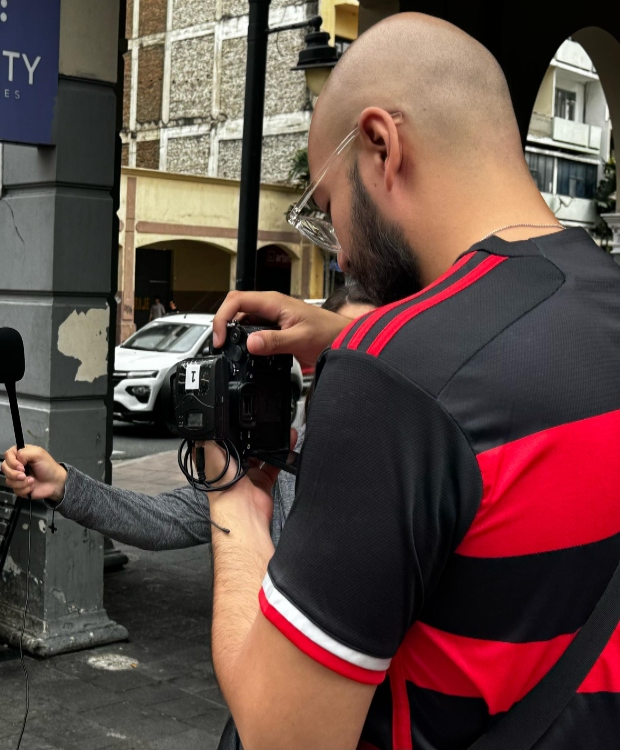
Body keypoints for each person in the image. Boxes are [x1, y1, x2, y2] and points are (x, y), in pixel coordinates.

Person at [196, 14, 620, 748]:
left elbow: (282, 735)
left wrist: (231, 490)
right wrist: (350, 336)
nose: (342, 253)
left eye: (327, 211)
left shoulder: (392, 377)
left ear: (380, 146)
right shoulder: (599, 296)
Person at [1, 287, 374, 552]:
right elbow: (161, 519)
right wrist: (63, 485)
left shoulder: (408, 484)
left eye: (374, 353)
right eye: (344, 353)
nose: (361, 379)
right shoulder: (272, 463)